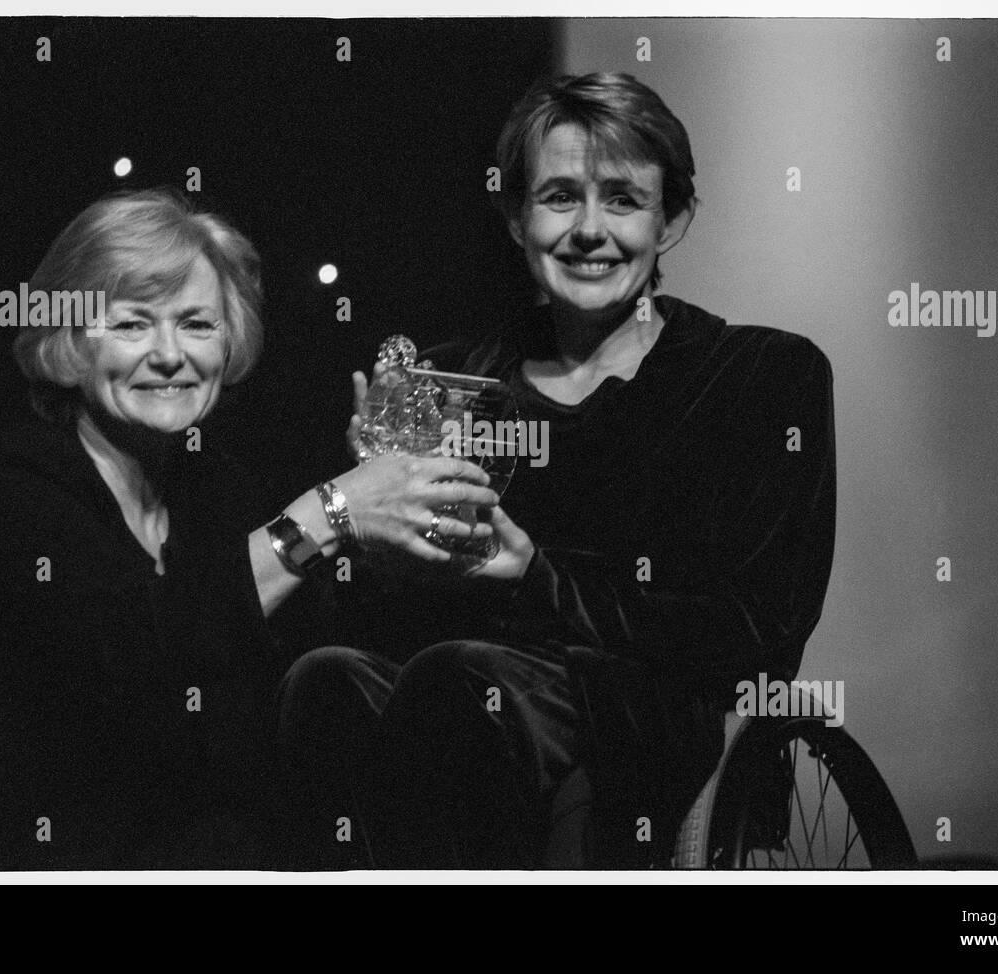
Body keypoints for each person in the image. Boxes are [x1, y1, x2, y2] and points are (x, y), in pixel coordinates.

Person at [277, 72, 837, 869]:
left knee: (458, 678)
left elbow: (761, 629)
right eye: (559, 196)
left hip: (646, 712)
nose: (588, 229)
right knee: (324, 677)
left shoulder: (759, 376)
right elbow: (369, 620)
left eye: (622, 199)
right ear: (515, 218)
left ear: (669, 219)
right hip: (458, 698)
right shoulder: (452, 380)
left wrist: (533, 577)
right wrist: (374, 529)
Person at [0, 188, 501, 870]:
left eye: (197, 324)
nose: (169, 354)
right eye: (133, 324)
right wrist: (329, 512)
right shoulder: (8, 493)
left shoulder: (219, 487)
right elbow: (127, 670)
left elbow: (305, 689)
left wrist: (386, 545)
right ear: (69, 343)